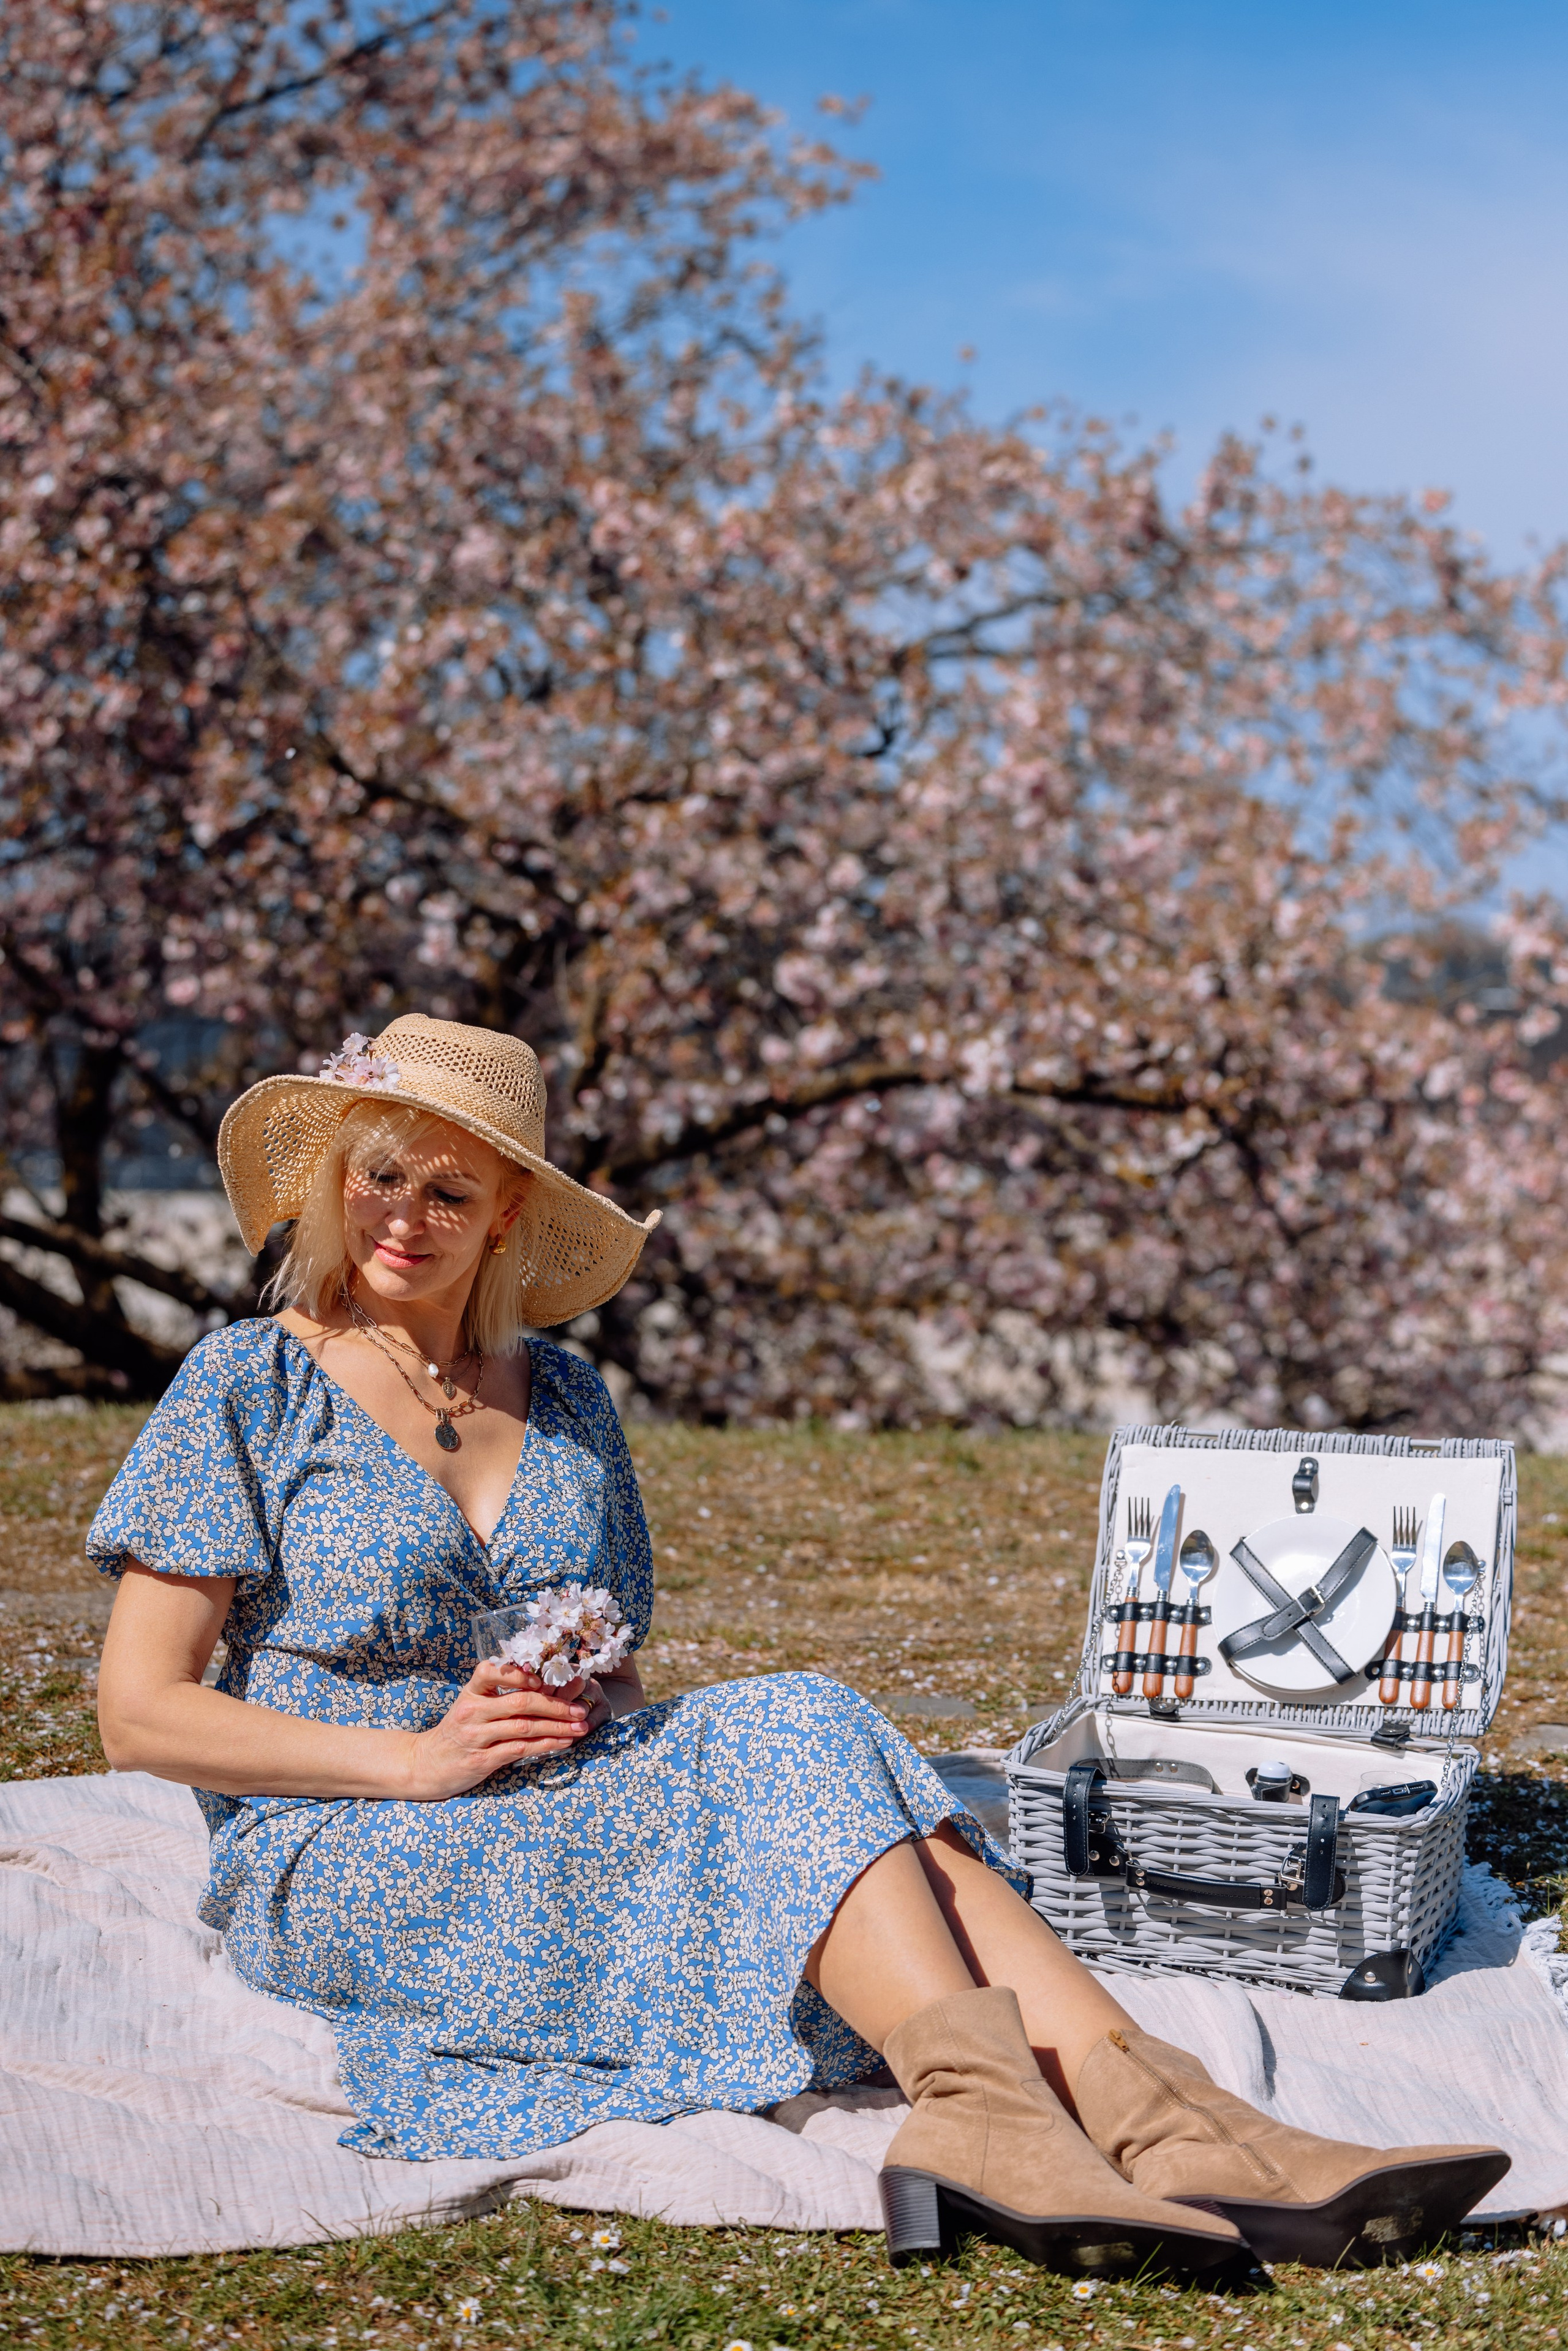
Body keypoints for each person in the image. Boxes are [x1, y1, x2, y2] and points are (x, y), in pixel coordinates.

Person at [91, 1015, 1506, 2276]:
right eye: (377, 1175)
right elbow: (138, 1715)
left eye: (449, 1186)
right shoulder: (249, 1381)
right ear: (337, 1178)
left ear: (508, 1207)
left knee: (806, 1732)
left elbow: (621, 1660)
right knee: (821, 1775)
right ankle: (1060, 2115)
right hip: (350, 1839)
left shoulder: (568, 1395)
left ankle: (1160, 2117)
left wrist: (587, 1688)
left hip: (559, 1797)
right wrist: (410, 1756)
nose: (404, 1215)